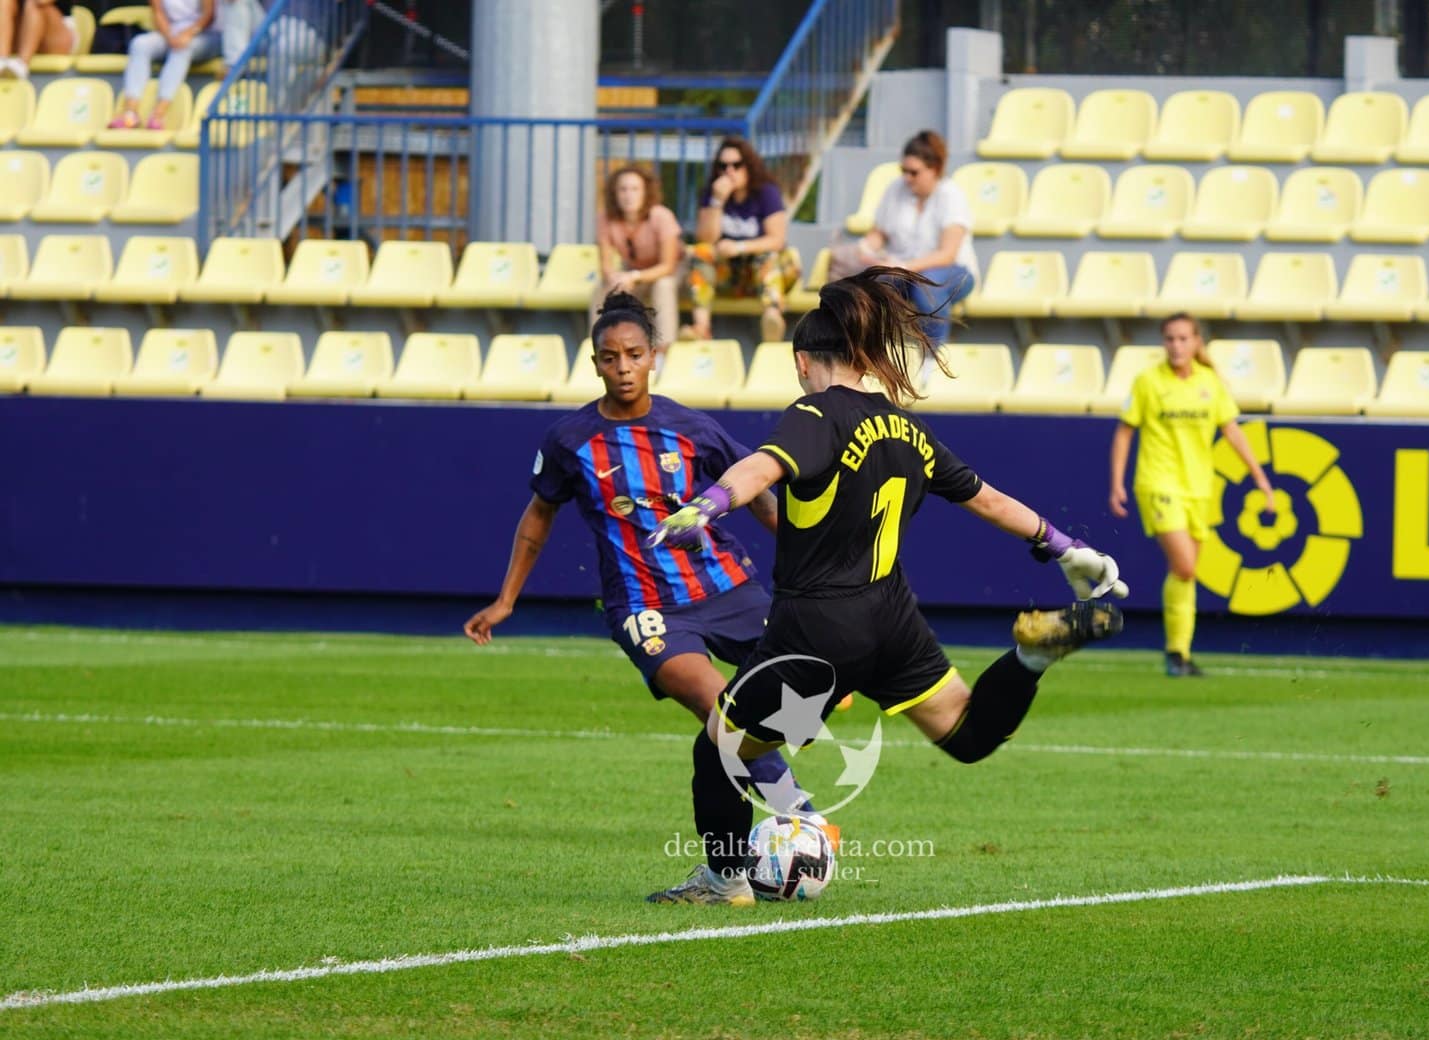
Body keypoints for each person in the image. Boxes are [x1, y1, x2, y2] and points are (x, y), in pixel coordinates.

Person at [643, 267, 1129, 906]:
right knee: (967, 735)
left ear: (803, 362)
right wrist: (1065, 546)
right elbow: (986, 498)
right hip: (892, 621)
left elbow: (762, 465)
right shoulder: (906, 428)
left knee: (719, 748)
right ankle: (1031, 657)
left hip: (816, 628)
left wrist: (709, 503)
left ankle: (723, 881)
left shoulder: (814, 413)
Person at [463, 291, 820, 813]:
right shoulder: (570, 440)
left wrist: (809, 562)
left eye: (634, 355)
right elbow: (539, 514)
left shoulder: (692, 428)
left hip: (727, 587)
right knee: (720, 708)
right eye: (611, 358)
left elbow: (759, 493)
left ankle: (755, 813)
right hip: (645, 608)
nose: (624, 368)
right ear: (595, 364)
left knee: (800, 695)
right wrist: (506, 600)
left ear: (654, 355)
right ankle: (801, 820)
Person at [1109, 313, 1275, 677]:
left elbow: (1232, 431)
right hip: (1158, 484)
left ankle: (1179, 653)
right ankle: (1176, 653)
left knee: (1185, 574)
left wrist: (1260, 478)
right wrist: (1117, 482)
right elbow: (1125, 431)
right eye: (1170, 338)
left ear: (1197, 342)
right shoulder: (1149, 381)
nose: (1176, 345)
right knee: (1184, 566)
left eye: (1183, 338)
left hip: (1199, 488)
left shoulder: (1209, 383)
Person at [852, 130, 978, 358]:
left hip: (953, 271)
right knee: (868, 285)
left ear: (935, 169)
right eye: (903, 171)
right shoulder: (895, 189)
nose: (907, 178)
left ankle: (932, 358)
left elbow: (947, 255)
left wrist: (904, 267)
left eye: (914, 172)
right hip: (904, 271)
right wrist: (866, 248)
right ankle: (868, 354)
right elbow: (879, 233)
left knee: (926, 288)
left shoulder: (952, 196)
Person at [684, 136, 801, 345]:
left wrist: (739, 247)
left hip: (764, 274)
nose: (729, 171)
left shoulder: (766, 192)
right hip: (730, 275)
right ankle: (701, 327)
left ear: (749, 166)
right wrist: (717, 201)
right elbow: (706, 239)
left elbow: (777, 240)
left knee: (768, 256)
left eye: (736, 165)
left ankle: (772, 317)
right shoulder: (712, 194)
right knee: (701, 253)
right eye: (723, 166)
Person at [595, 166, 682, 346]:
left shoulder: (661, 216)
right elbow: (606, 266)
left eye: (635, 189)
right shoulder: (605, 218)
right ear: (614, 193)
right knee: (603, 289)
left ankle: (664, 349)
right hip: (634, 271)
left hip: (673, 272)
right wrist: (615, 278)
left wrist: (634, 276)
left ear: (645, 192)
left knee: (663, 286)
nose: (629, 195)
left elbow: (668, 266)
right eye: (623, 189)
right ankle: (602, 345)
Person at [108, 0, 219, 132]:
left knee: (182, 50)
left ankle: (158, 115)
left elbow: (208, 15)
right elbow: (158, 13)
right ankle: (130, 113)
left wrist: (187, 34)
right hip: (171, 33)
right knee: (139, 44)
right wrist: (170, 36)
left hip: (204, 35)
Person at [0, 0, 76, 78]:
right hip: (20, 35)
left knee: (33, 3)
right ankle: (2, 60)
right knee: (4, 2)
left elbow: (41, 1)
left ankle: (21, 64)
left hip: (56, 39)